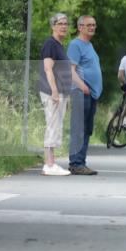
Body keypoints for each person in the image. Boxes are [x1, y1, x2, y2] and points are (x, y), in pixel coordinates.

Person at [39, 13, 87, 176]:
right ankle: (49, 164)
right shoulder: (50, 44)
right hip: (52, 92)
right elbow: (48, 68)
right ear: (53, 26)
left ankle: (51, 163)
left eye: (66, 24)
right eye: (60, 23)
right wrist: (54, 91)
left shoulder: (59, 44)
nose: (64, 26)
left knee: (56, 126)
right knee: (52, 126)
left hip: (61, 92)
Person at [67, 15, 101, 175]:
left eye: (93, 25)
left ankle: (81, 162)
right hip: (81, 93)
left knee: (86, 129)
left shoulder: (89, 45)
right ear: (80, 27)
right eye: (88, 25)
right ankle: (75, 163)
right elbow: (70, 70)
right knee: (78, 129)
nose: (92, 27)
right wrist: (83, 87)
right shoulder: (75, 45)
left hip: (90, 94)